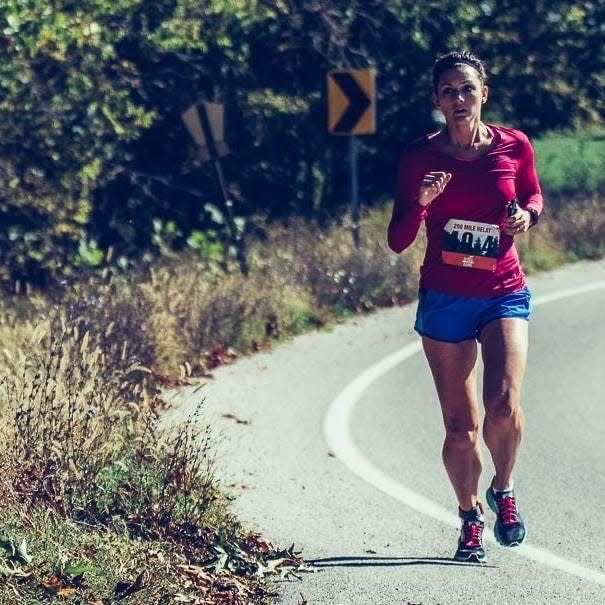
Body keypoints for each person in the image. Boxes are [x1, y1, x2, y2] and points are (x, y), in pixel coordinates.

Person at [387, 50, 543, 563]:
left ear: (483, 93)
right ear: (436, 100)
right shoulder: (419, 156)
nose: (458, 99)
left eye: (467, 89)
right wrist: (421, 203)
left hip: (503, 289)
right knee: (461, 427)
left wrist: (526, 217)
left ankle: (505, 489)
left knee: (503, 403)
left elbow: (533, 197)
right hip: (446, 297)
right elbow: (397, 238)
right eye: (448, 91)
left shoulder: (513, 144)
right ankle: (470, 515)